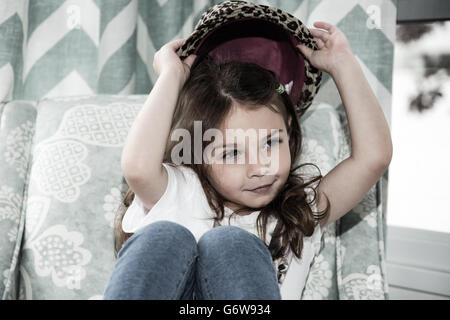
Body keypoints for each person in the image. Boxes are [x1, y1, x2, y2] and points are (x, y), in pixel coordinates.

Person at [103, 21, 393, 300]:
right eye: (231, 153)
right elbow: (138, 169)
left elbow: (373, 157)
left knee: (230, 244)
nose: (260, 168)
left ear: (289, 130)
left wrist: (343, 63)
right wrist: (171, 76)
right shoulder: (181, 191)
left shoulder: (298, 211)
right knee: (163, 237)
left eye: (270, 142)